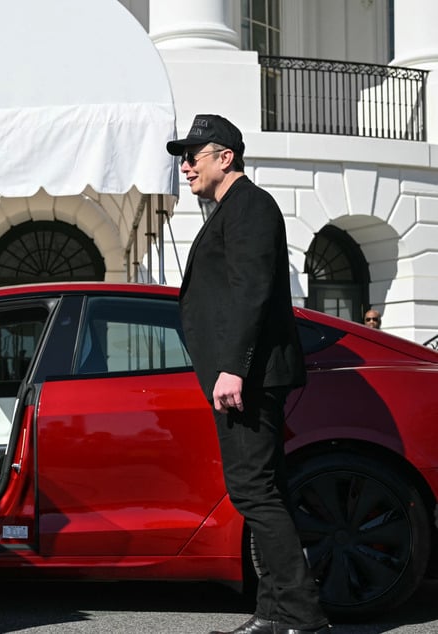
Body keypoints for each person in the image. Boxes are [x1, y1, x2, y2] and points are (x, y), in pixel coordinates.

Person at [168, 114, 330, 634]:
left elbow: (251, 292)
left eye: (194, 155)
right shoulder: (230, 210)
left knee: (253, 492)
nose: (185, 165)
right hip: (245, 375)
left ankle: (302, 617)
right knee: (265, 493)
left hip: (248, 378)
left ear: (225, 157)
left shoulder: (249, 208)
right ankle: (275, 614)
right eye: (183, 157)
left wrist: (232, 369)